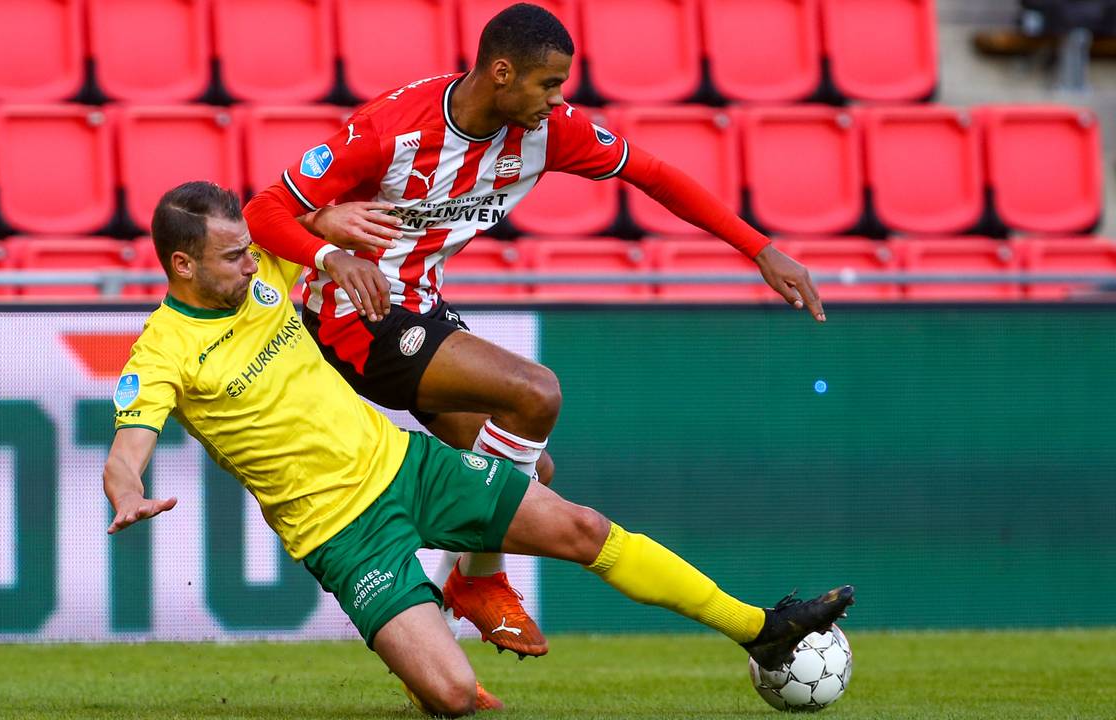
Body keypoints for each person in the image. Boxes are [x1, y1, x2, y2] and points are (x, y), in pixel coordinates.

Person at [103, 181, 854, 716]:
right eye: (231, 255)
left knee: (582, 526)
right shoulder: (162, 352)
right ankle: (427, 640)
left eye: (246, 249)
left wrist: (330, 217)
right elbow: (128, 444)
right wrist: (128, 489)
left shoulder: (263, 270)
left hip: (407, 467)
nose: (248, 260)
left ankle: (762, 627)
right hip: (339, 534)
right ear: (182, 265)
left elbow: (307, 221)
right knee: (454, 696)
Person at [241, 3, 828, 657]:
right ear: (500, 73)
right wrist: (330, 255)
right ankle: (479, 577)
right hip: (351, 316)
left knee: (532, 470)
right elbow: (262, 210)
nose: (558, 100)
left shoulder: (550, 134)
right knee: (534, 392)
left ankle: (469, 582)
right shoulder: (390, 130)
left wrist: (759, 249)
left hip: (420, 306)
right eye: (548, 85)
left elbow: (655, 177)